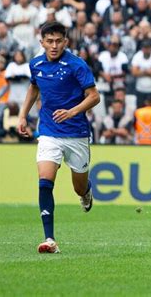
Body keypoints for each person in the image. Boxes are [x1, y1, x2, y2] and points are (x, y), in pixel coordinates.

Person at [17, 21, 100, 253]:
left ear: (66, 42)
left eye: (58, 41)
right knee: (45, 181)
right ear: (41, 42)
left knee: (78, 187)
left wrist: (72, 111)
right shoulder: (36, 64)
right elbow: (34, 87)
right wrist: (23, 115)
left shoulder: (77, 65)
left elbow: (94, 96)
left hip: (76, 134)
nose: (54, 46)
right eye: (49, 41)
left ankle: (86, 193)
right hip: (49, 133)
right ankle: (50, 239)